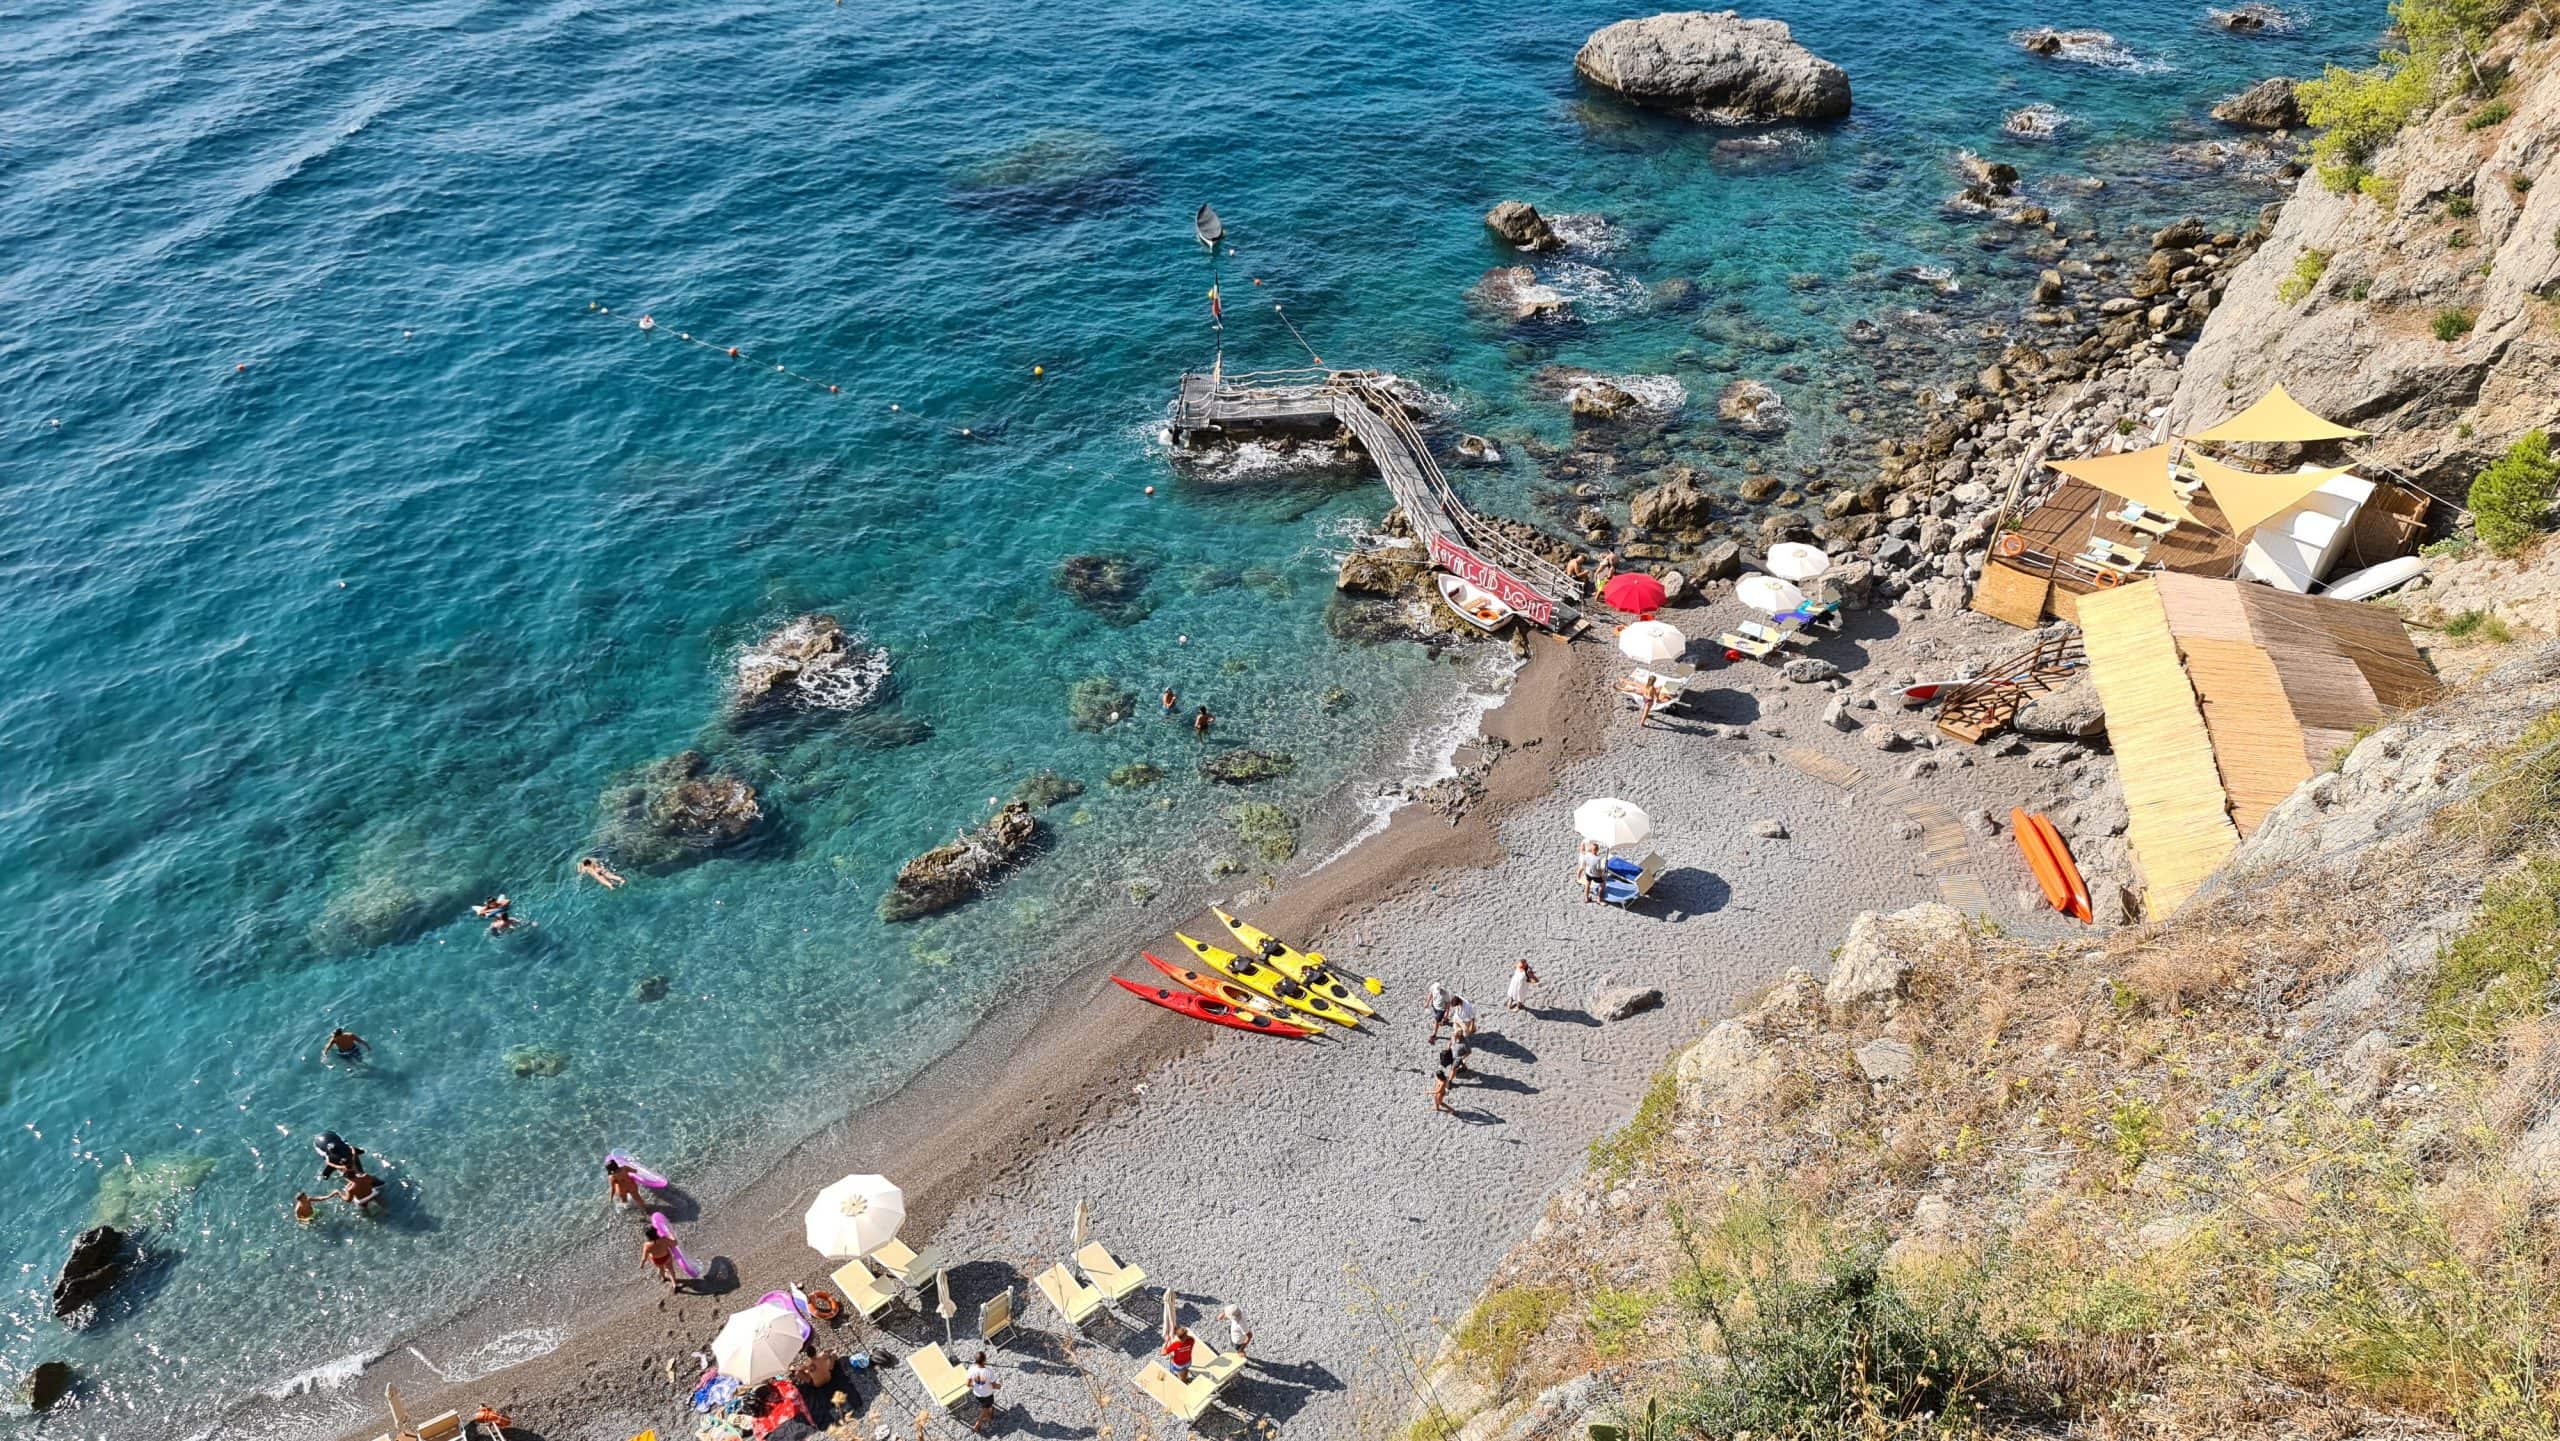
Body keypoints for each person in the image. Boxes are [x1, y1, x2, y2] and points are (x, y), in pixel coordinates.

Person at [966, 1351, 998, 1432]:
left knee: (985, 1405)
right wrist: (1000, 1385)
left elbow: (967, 1384)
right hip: (988, 1394)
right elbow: (994, 1385)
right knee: (987, 1407)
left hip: (977, 1394)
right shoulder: (989, 1371)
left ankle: (988, 1413)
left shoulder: (971, 1369)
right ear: (984, 1361)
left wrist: (976, 1386)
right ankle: (979, 1422)